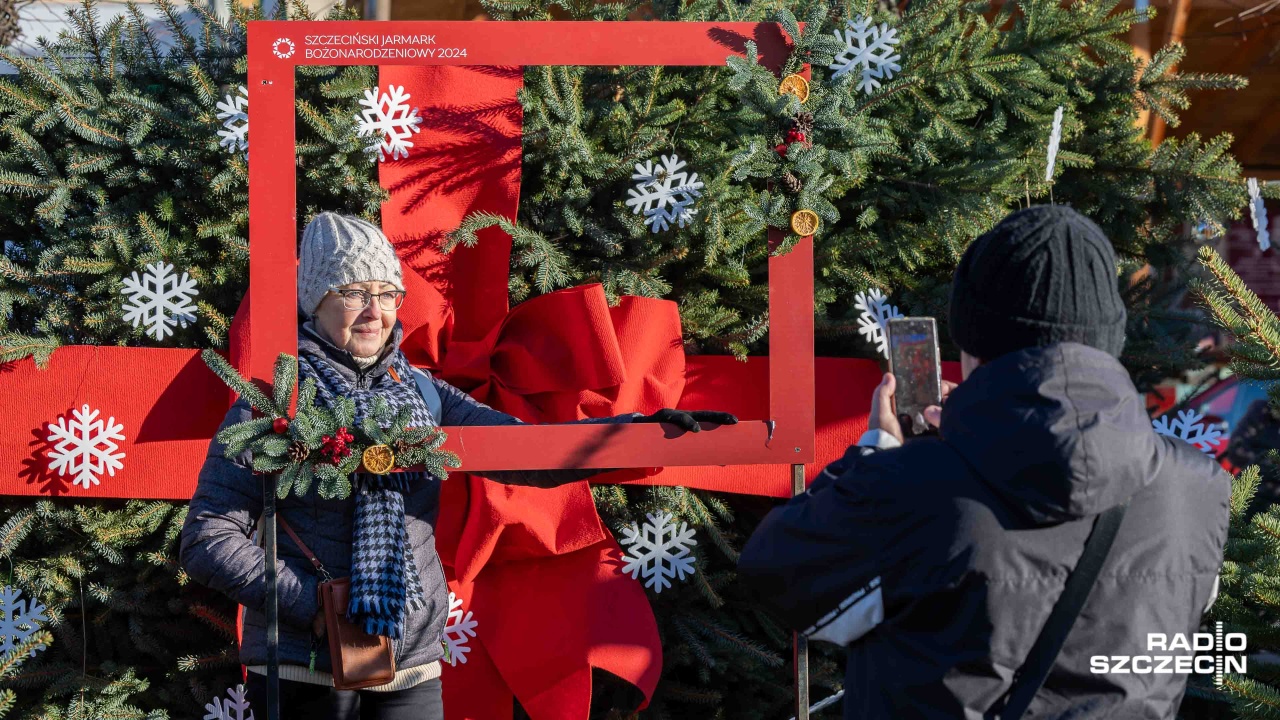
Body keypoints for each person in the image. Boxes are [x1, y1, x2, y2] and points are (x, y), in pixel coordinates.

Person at [180, 212, 735, 720]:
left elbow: (532, 454)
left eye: (386, 292)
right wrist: (309, 607)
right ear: (315, 301)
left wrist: (639, 435)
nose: (375, 311)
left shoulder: (423, 392)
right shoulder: (276, 403)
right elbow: (207, 538)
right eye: (353, 293)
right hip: (302, 664)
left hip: (411, 660)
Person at [738, 205, 1229, 719]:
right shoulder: (1198, 488)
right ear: (1110, 337)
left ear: (973, 342)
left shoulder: (913, 484)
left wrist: (879, 449)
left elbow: (781, 575)